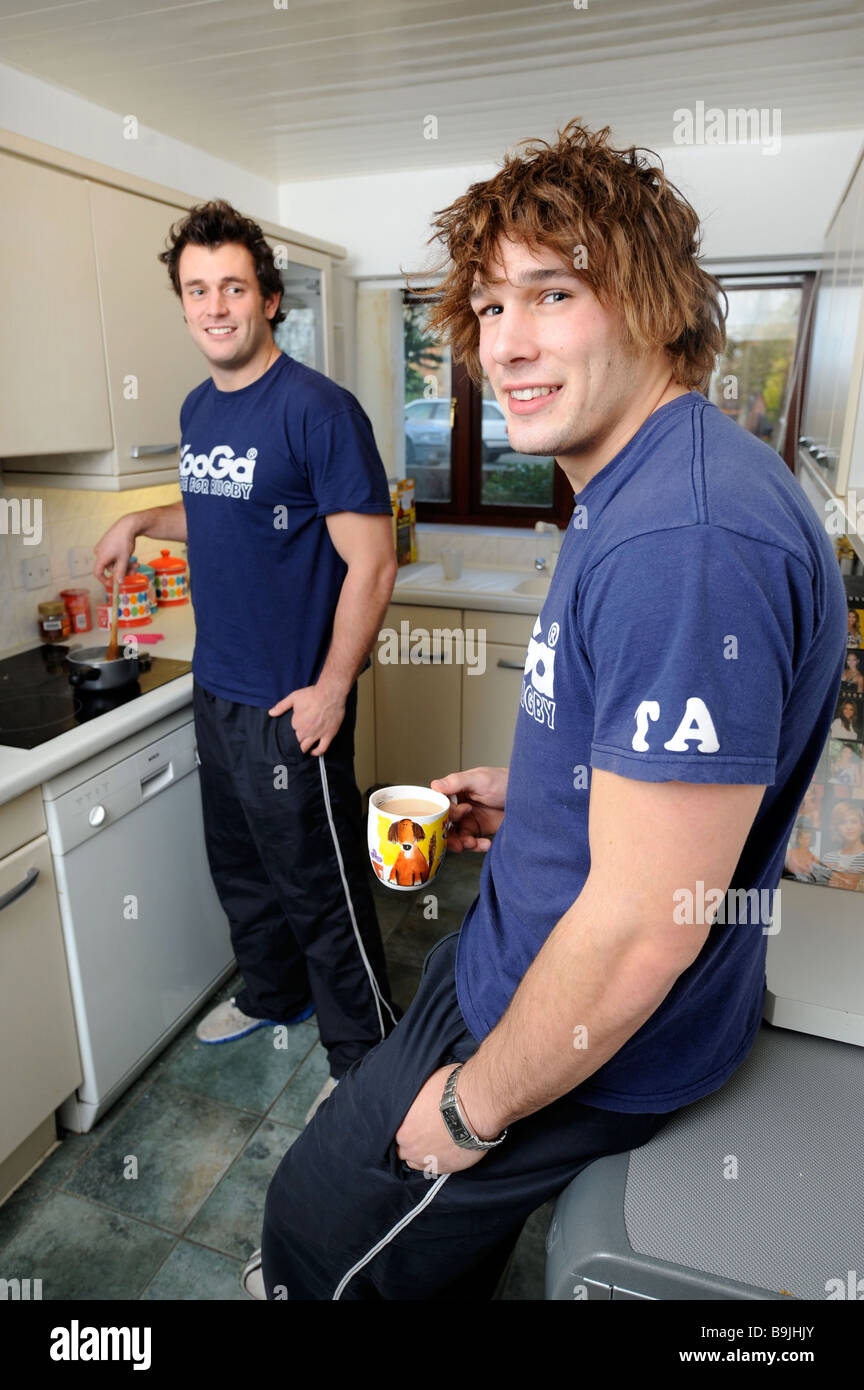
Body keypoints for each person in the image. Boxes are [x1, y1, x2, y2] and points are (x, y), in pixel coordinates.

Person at [246, 121, 848, 1301]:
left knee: (317, 1239)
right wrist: (542, 793)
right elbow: (672, 791)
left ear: (657, 306)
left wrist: (468, 1114)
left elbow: (638, 930)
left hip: (581, 1033)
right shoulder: (642, 481)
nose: (504, 344)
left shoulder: (686, 541)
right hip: (509, 963)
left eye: (552, 292)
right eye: (485, 309)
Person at [93, 201, 400, 1121]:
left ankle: (366, 1052)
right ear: (183, 304)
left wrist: (332, 690)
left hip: (288, 703)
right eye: (197, 290)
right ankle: (273, 994)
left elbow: (373, 561)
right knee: (243, 870)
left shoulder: (318, 410)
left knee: (323, 884)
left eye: (232, 287)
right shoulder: (197, 408)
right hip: (217, 688)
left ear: (268, 299)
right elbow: (223, 509)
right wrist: (144, 517)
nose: (215, 305)